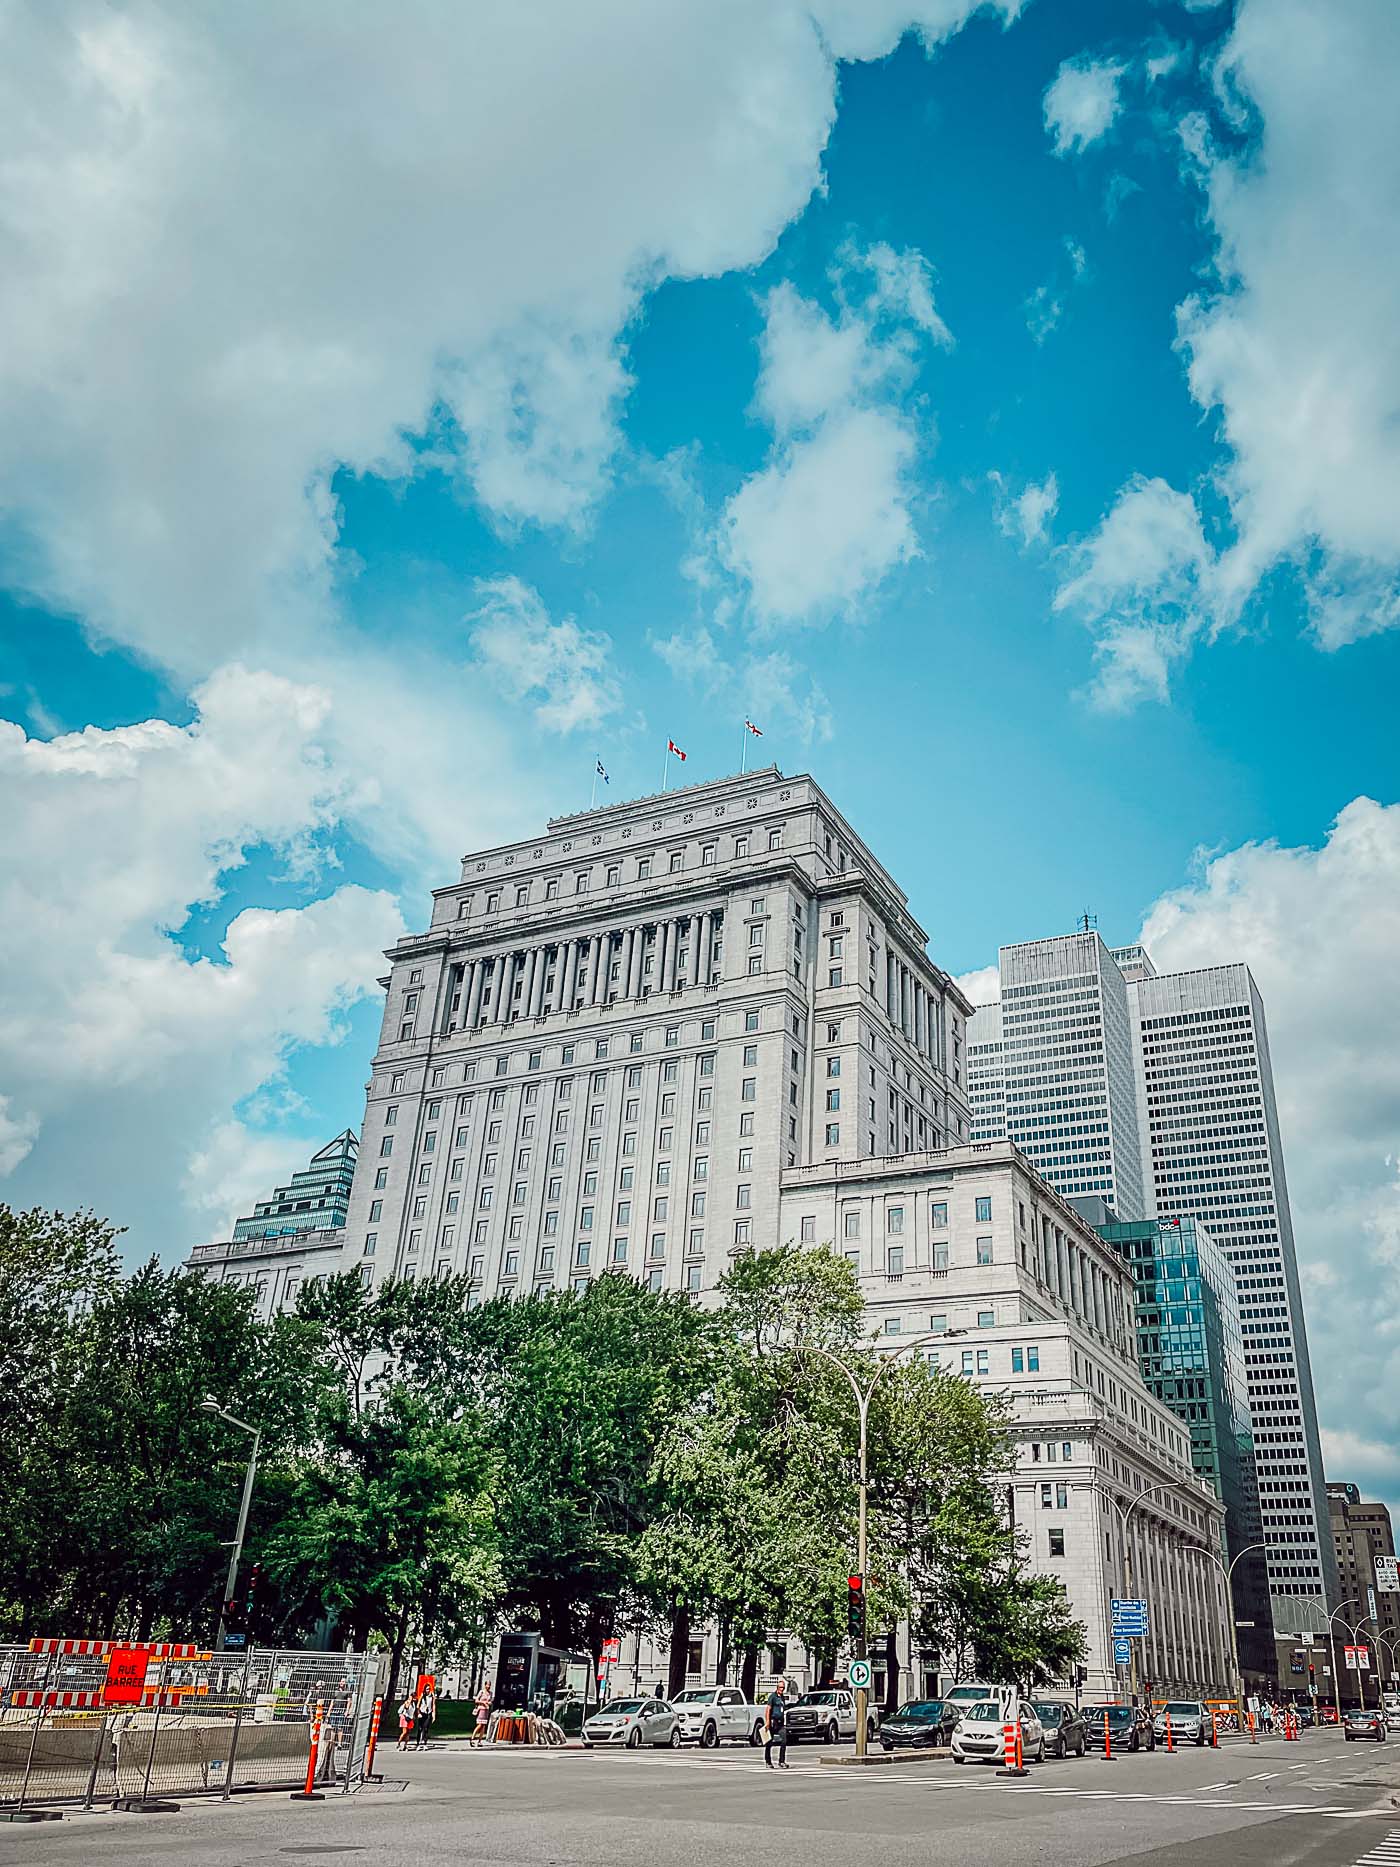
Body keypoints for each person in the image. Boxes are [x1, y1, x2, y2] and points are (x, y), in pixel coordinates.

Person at [764, 1677, 789, 1770]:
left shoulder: (782, 1698)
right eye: (780, 1687)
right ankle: (768, 1761)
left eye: (783, 1688)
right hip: (773, 1722)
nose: (782, 1689)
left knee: (784, 1741)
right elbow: (768, 1709)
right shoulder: (773, 1697)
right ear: (777, 1688)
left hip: (780, 1723)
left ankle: (781, 1761)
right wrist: (767, 1721)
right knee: (769, 1742)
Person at [413, 1680, 437, 1748]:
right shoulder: (422, 1695)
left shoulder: (432, 1696)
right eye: (427, 1689)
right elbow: (418, 1705)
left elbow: (433, 1705)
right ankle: (418, 1742)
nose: (428, 1690)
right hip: (422, 1712)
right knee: (420, 1728)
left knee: (426, 1728)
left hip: (428, 1713)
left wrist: (434, 1715)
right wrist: (418, 1713)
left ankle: (424, 1742)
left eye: (429, 1689)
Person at [471, 1683, 493, 1748]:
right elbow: (476, 1700)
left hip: (486, 1710)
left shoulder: (490, 1693)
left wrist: (489, 1703)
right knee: (480, 1724)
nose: (488, 1686)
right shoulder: (482, 1692)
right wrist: (483, 1702)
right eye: (487, 1685)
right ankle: (472, 1738)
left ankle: (479, 1741)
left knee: (483, 1726)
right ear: (485, 1685)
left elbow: (490, 1701)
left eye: (489, 1685)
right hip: (481, 1709)